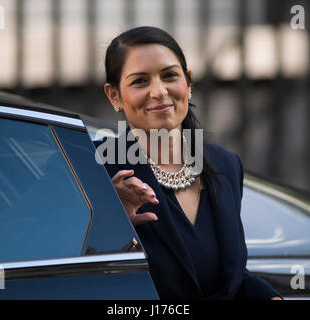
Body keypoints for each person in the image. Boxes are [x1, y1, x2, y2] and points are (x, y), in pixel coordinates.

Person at [95, 26, 282, 300]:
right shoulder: (96, 169)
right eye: (140, 81)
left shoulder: (226, 165)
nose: (159, 91)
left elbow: (231, 277)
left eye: (170, 75)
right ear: (114, 96)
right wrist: (109, 220)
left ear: (188, 82)